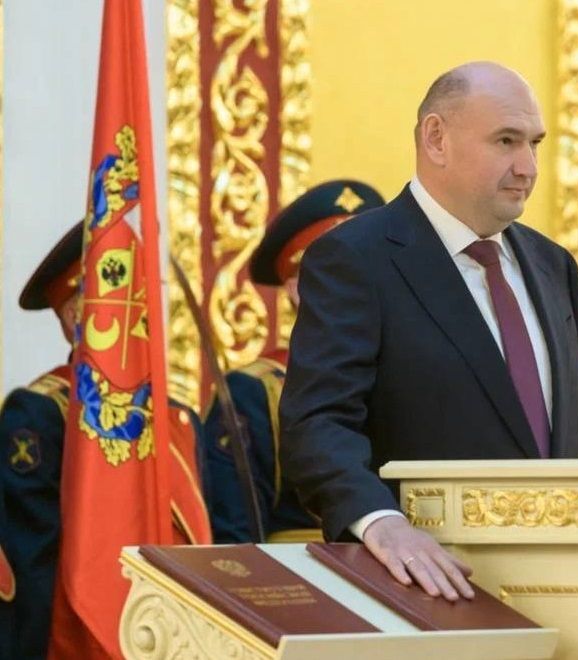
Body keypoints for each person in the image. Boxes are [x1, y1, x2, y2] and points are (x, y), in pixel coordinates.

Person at [280, 61, 578, 602]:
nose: (527, 167)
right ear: (436, 139)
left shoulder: (554, 266)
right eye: (506, 141)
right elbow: (318, 422)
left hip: (570, 591)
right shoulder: (357, 258)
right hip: (429, 588)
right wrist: (380, 522)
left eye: (535, 144)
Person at [0, 222, 209, 658]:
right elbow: (32, 561)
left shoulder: (177, 414)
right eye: (123, 296)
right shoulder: (41, 413)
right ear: (76, 316)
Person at [203, 179, 385, 543]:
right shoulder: (253, 392)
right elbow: (235, 537)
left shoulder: (422, 373)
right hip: (303, 572)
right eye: (341, 274)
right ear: (297, 289)